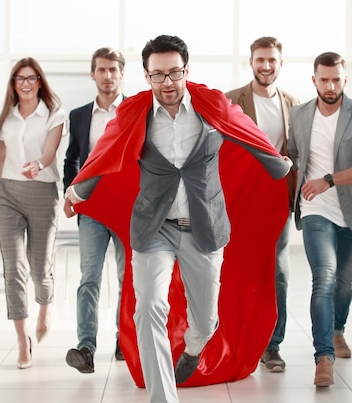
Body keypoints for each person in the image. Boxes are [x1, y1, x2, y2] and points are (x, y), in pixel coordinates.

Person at [66, 34, 292, 403]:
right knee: (149, 307)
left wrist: (275, 163)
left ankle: (194, 345)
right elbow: (108, 149)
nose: (167, 83)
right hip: (154, 228)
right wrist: (77, 190)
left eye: (174, 73)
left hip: (204, 227)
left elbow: (245, 130)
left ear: (187, 70)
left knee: (204, 321)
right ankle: (162, 398)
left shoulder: (212, 104)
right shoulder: (134, 111)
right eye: (158, 75)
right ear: (146, 76)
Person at [287, 51, 352, 387]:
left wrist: (329, 179)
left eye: (336, 79)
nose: (330, 86)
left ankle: (338, 329)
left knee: (345, 280)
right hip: (315, 208)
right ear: (313, 79)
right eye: (324, 79)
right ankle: (323, 356)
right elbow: (293, 154)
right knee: (323, 279)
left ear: (345, 79)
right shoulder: (299, 114)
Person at [225, 36, 299, 373]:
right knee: (236, 270)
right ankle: (234, 339)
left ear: (280, 63)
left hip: (276, 199)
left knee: (278, 273)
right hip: (239, 199)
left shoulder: (293, 105)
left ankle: (272, 345)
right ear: (251, 62)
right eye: (260, 60)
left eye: (272, 60)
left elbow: (298, 153)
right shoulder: (231, 100)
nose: (266, 66)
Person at [0, 57, 66, 370]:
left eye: (31, 78)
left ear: (39, 81)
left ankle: (45, 306)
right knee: (13, 268)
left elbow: (49, 153)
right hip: (8, 193)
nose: (25, 83)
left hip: (42, 191)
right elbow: (2, 157)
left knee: (39, 268)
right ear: (14, 83)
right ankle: (23, 341)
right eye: (19, 78)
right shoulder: (6, 117)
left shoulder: (54, 113)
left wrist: (37, 164)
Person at [63, 47, 126, 373]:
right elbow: (72, 157)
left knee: (126, 278)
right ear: (93, 74)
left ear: (121, 73)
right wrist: (70, 193)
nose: (107, 75)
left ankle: (123, 342)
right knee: (89, 279)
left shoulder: (133, 111)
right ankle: (86, 347)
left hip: (126, 208)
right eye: (101, 70)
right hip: (91, 208)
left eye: (113, 69)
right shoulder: (79, 115)